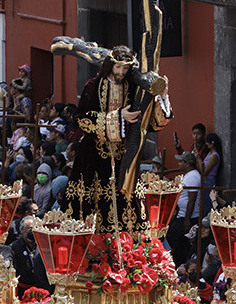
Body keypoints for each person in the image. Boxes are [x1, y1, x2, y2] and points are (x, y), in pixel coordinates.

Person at [62, 44, 172, 236]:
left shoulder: (135, 88)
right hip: (94, 157)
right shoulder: (93, 85)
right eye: (118, 67)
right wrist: (118, 118)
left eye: (126, 68)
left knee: (130, 204)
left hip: (125, 157)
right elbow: (82, 119)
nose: (121, 72)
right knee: (90, 206)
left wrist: (162, 96)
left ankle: (132, 248)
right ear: (110, 65)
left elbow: (152, 122)